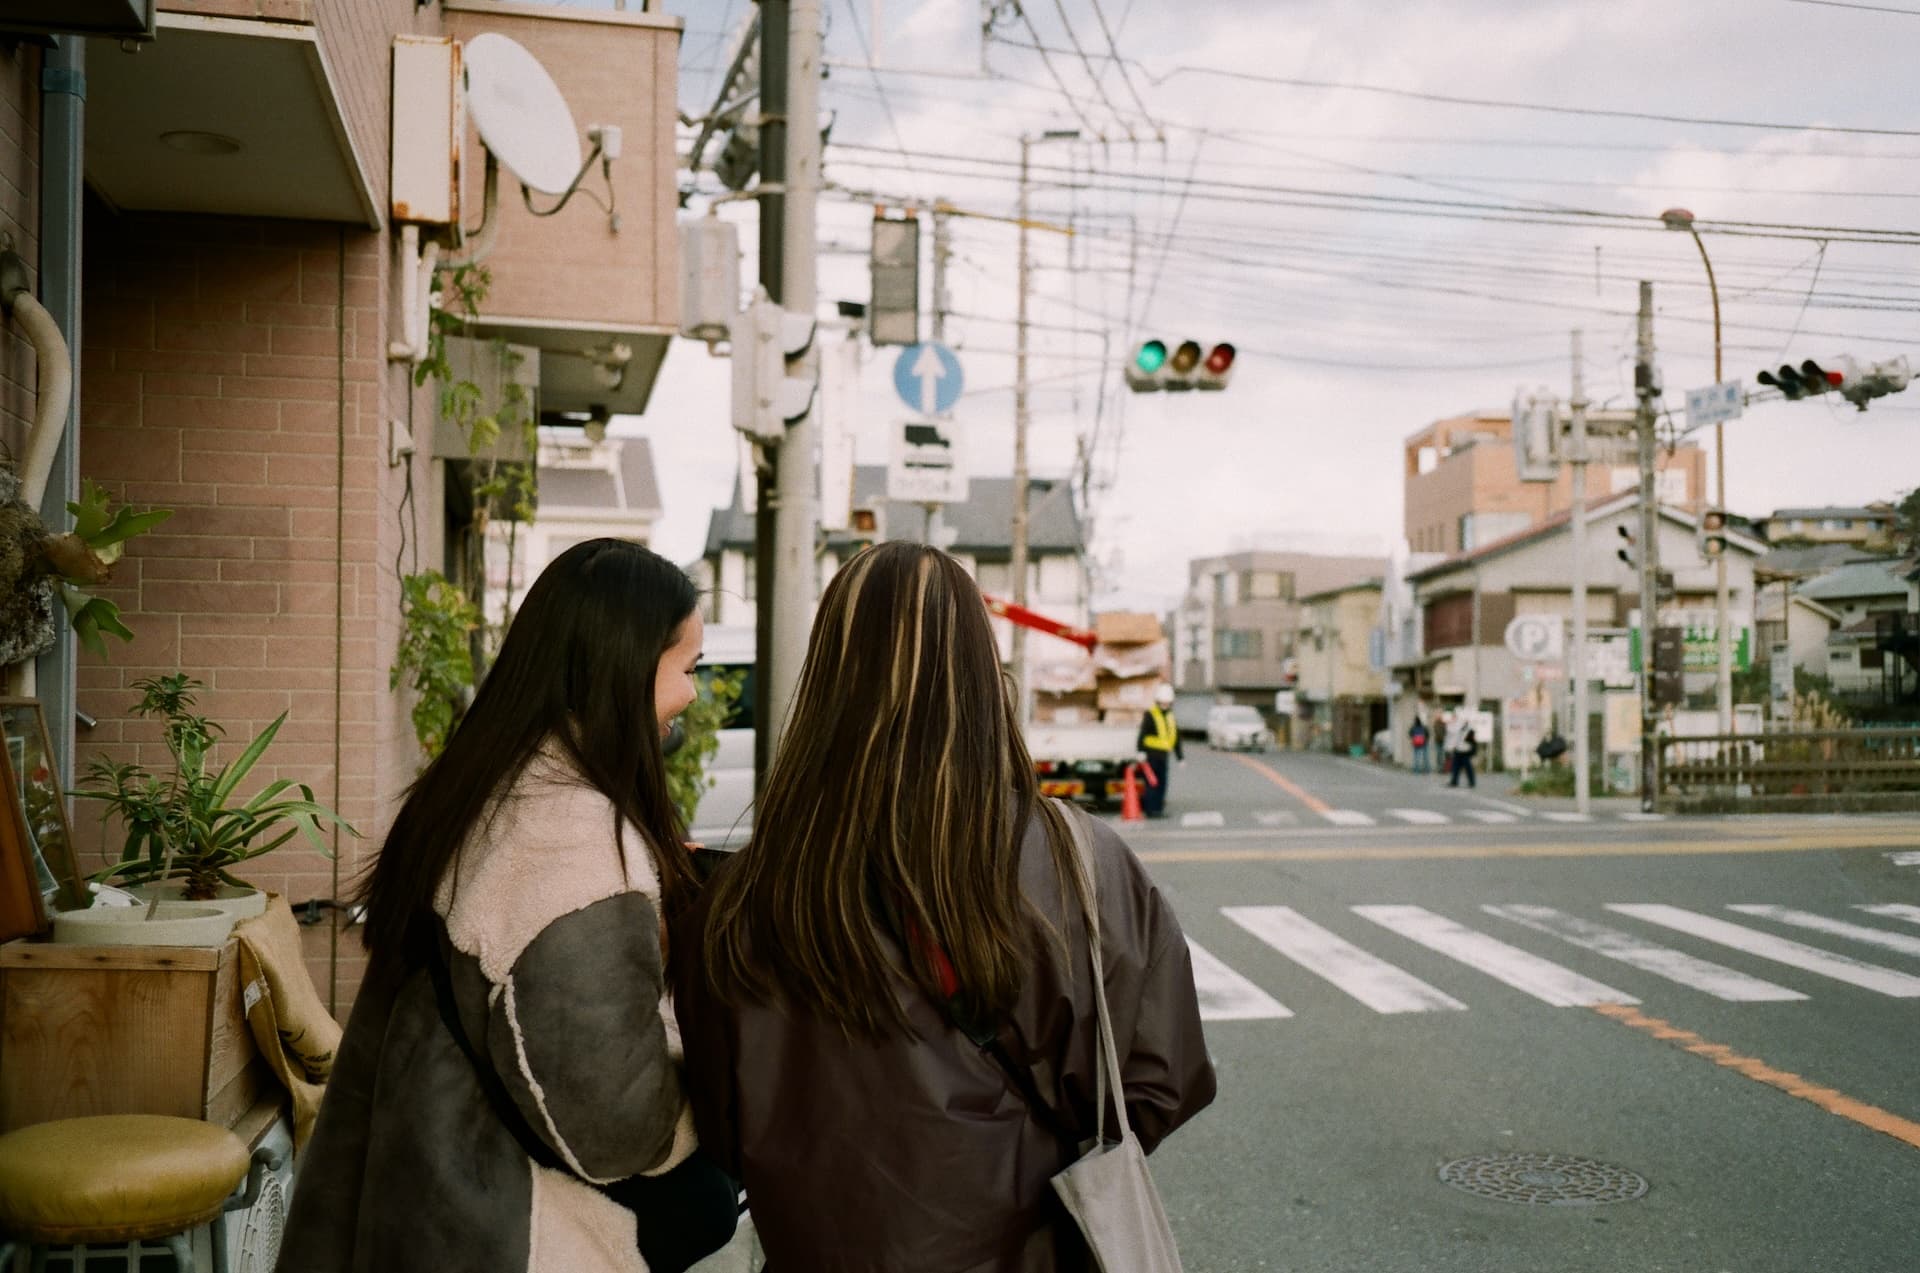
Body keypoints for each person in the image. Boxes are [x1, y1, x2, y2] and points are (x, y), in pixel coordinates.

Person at [674, 542, 1217, 1272]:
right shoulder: (1071, 861)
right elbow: (1158, 1081)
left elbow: (723, 1126)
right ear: (980, 671)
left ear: (828, 676)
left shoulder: (741, 897)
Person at [278, 540, 737, 1273]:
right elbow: (614, 1126)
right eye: (686, 668)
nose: (689, 694)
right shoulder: (573, 845)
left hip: (418, 1199)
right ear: (623, 665)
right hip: (514, 1234)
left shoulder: (487, 784)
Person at [1136, 683, 1185, 817]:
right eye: (1163, 703)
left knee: (1162, 783)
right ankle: (1150, 810)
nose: (1165, 705)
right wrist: (1140, 751)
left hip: (1163, 756)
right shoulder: (1151, 714)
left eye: (1167, 703)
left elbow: (1176, 738)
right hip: (1151, 756)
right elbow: (1143, 733)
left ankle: (1158, 809)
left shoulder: (1170, 717)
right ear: (1158, 702)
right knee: (1152, 783)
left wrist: (1180, 757)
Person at [1449, 720, 1479, 789]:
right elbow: (1455, 740)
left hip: (1465, 752)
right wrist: (1454, 748)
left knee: (1468, 768)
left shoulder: (1470, 731)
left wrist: (1472, 752)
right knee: (1455, 768)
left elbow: (1473, 742)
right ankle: (1454, 781)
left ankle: (1472, 782)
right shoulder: (1459, 731)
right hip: (1458, 751)